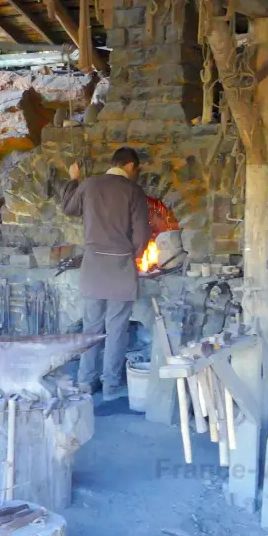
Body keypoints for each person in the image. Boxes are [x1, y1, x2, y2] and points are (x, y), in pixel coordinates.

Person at [62, 147, 151, 401]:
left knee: (91, 329)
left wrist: (73, 179)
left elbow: (68, 208)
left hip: (92, 269)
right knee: (116, 330)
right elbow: (142, 235)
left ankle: (85, 383)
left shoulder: (89, 185)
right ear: (131, 166)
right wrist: (132, 254)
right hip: (120, 269)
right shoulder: (133, 191)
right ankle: (111, 387)